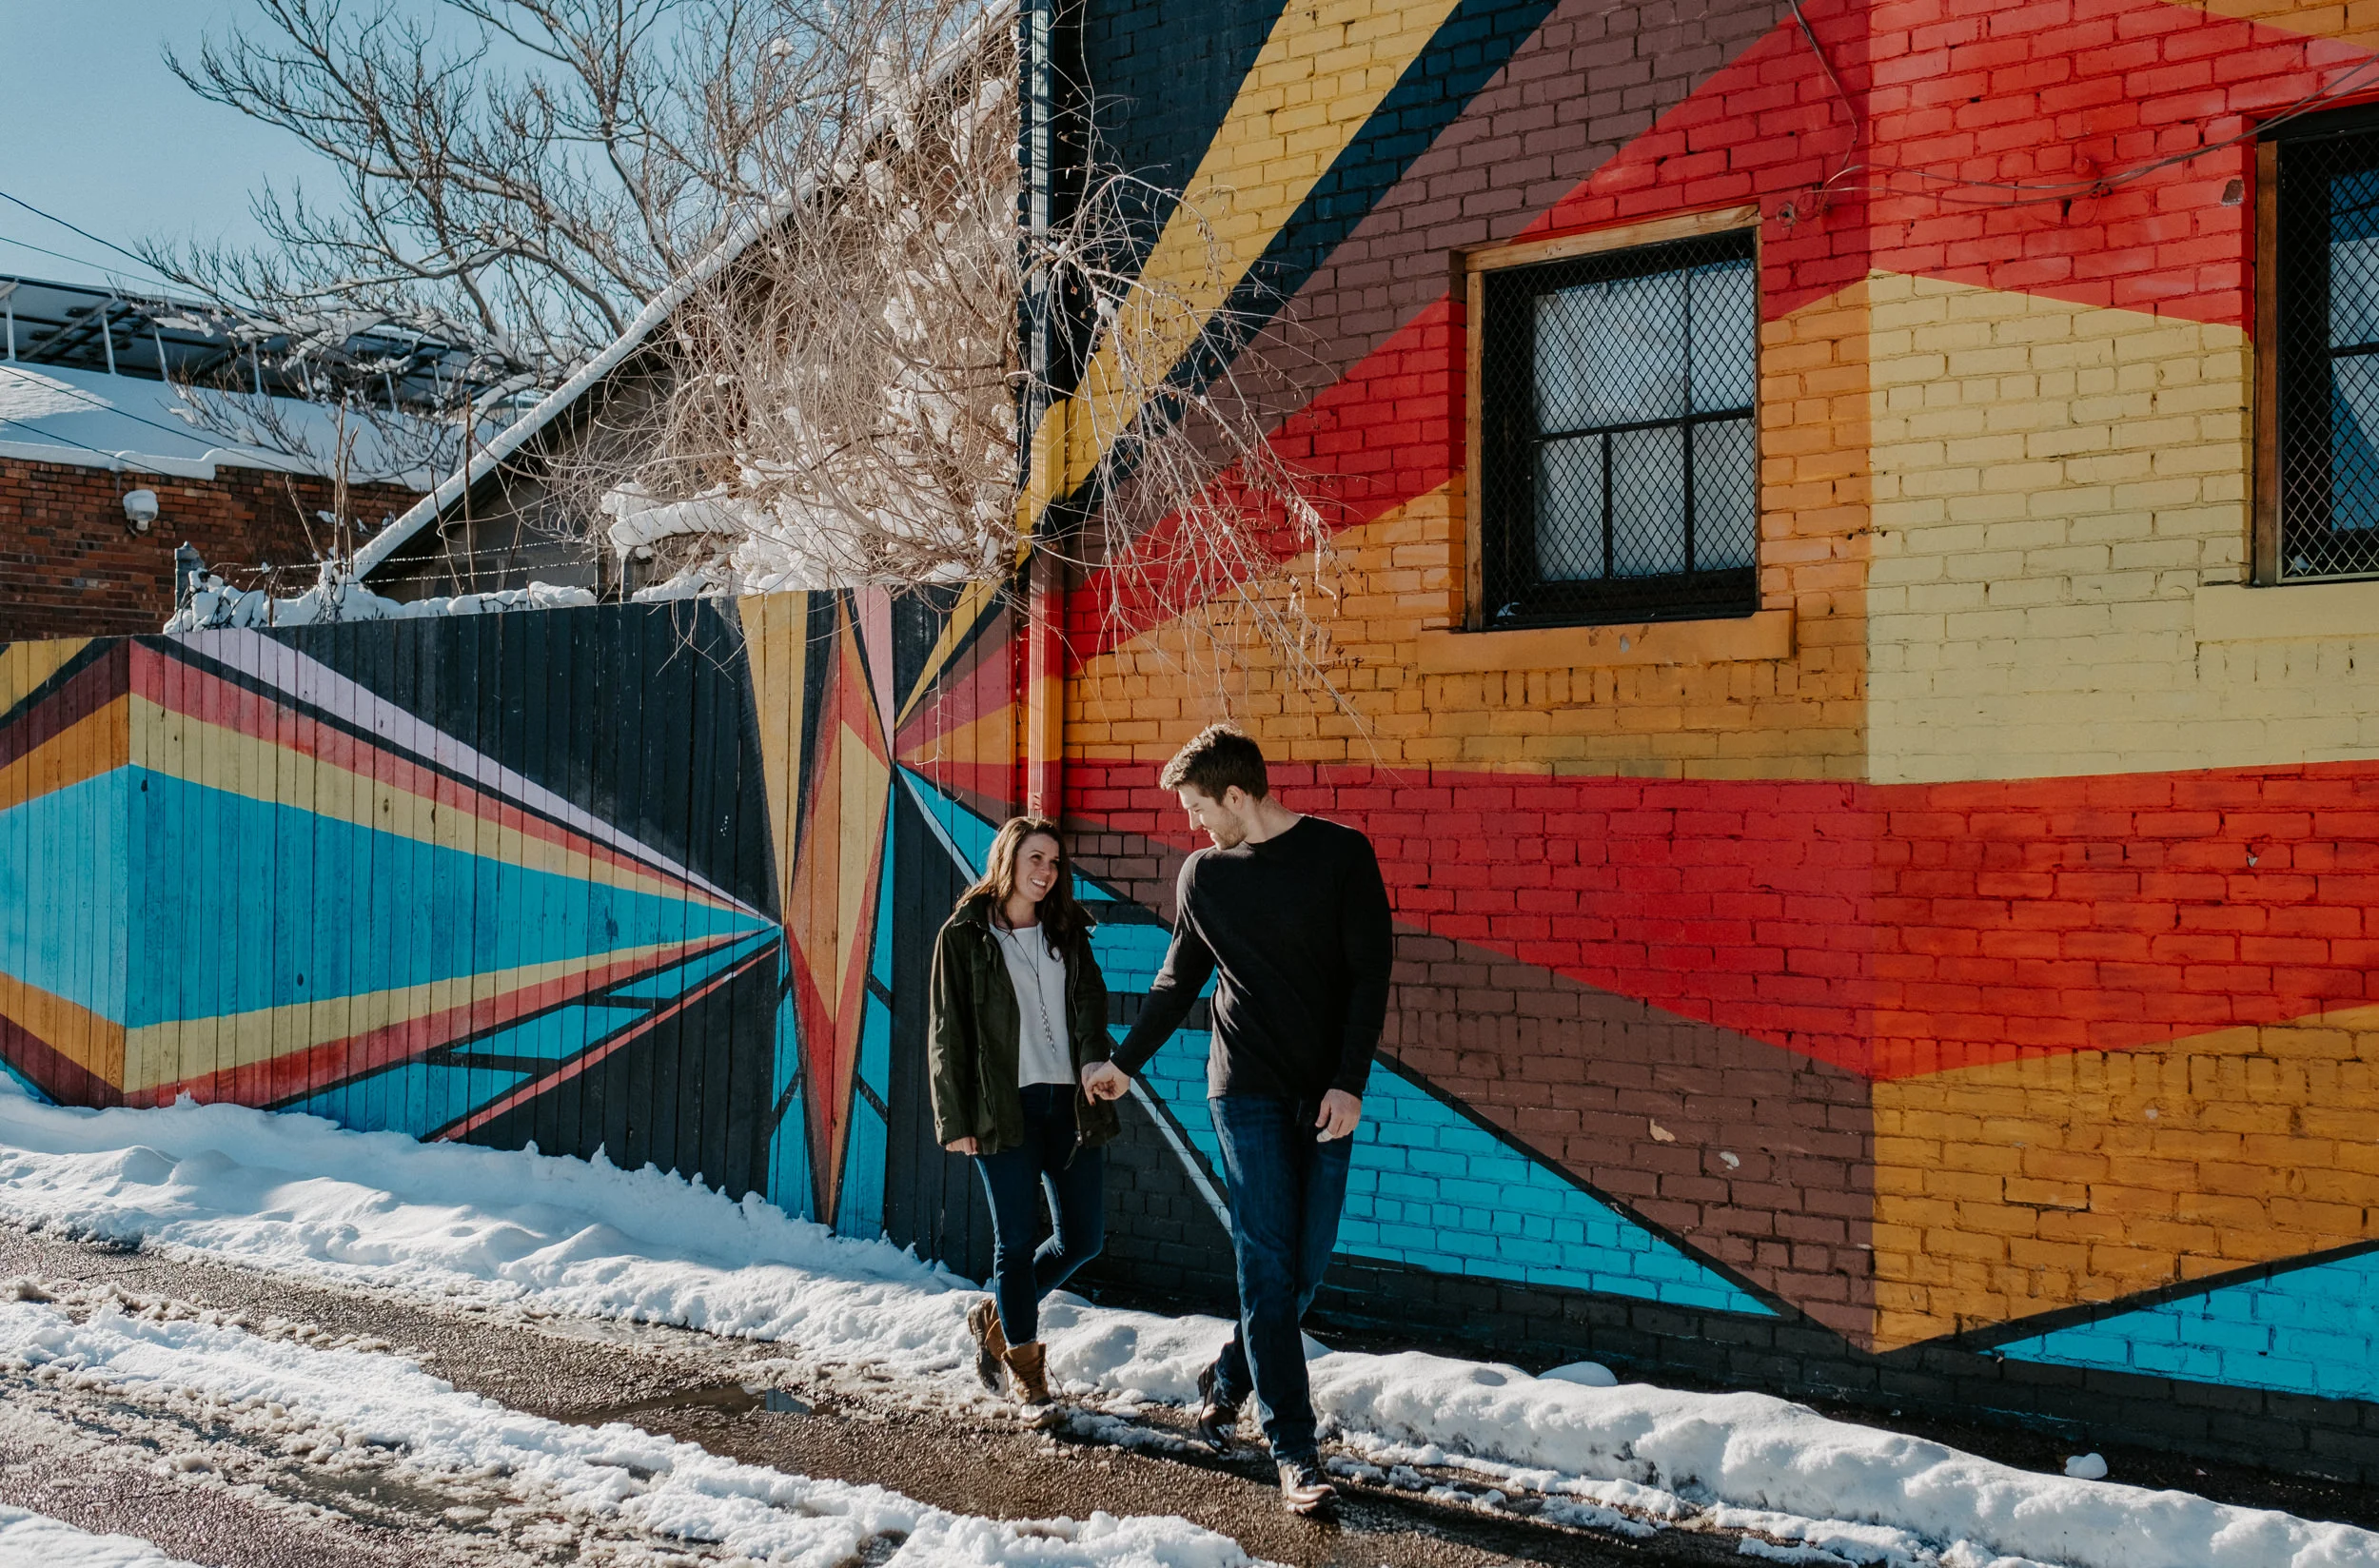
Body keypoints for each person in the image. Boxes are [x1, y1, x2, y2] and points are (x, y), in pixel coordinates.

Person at [1082, 725, 1393, 1516]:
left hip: (1324, 1091)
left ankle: (1227, 1376)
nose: (1191, 824)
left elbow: (1369, 977)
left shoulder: (1341, 855)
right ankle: (1294, 1451)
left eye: (1196, 807)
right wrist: (1125, 1062)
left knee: (1305, 1268)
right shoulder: (1203, 877)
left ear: (1237, 795)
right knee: (1264, 1261)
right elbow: (1176, 981)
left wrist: (1349, 1083)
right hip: (1242, 1089)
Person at [928, 816, 1121, 1417]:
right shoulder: (964, 935)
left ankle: (995, 1312)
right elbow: (946, 1030)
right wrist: (953, 1118)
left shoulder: (1065, 930)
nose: (1046, 873)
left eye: (1054, 863)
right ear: (1008, 859)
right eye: (1036, 859)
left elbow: (1089, 1004)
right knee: (1013, 1243)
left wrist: (1093, 1061)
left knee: (1083, 1238)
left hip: (1070, 1104)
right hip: (1001, 1107)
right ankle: (1027, 1371)